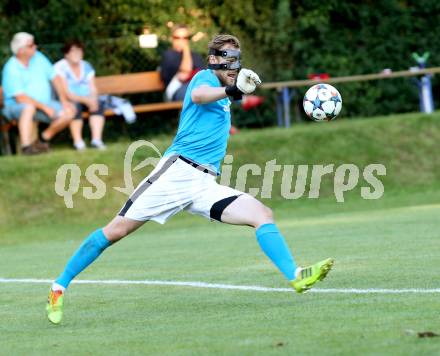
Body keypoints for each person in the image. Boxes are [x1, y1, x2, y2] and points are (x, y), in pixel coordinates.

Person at [46, 34, 334, 324]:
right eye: (228, 59)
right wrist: (232, 91)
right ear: (213, 60)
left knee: (262, 214)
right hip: (176, 172)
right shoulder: (204, 79)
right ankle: (58, 288)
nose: (234, 65)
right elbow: (199, 96)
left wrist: (235, 92)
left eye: (237, 59)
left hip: (204, 183)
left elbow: (221, 101)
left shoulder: (225, 90)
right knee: (115, 231)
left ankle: (296, 277)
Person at [1, 32, 75, 155]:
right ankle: (26, 148)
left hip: (43, 104)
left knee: (69, 111)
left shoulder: (39, 58)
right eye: (31, 45)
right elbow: (20, 98)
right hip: (15, 107)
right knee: (28, 108)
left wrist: (63, 100)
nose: (35, 47)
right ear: (21, 50)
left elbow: (55, 78)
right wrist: (45, 108)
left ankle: (42, 139)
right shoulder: (11, 68)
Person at [54, 40, 106, 150]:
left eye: (79, 50)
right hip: (68, 99)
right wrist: (87, 101)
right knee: (74, 106)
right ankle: (78, 142)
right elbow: (66, 92)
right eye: (73, 51)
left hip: (86, 97)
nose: (77, 53)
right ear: (66, 54)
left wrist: (93, 99)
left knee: (98, 103)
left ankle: (96, 140)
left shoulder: (87, 66)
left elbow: (93, 88)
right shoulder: (59, 67)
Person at [160, 24, 205, 101]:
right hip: (176, 90)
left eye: (185, 38)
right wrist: (186, 49)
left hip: (197, 87)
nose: (181, 41)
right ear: (172, 39)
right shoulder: (169, 55)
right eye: (177, 38)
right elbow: (185, 71)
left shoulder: (195, 56)